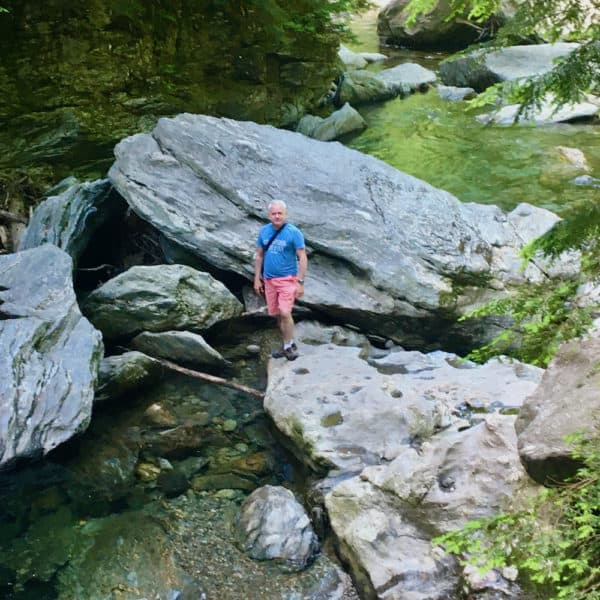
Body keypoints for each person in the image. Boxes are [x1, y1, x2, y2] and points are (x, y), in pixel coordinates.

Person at [254, 200, 307, 361]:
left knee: (285, 312)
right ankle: (287, 342)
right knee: (277, 314)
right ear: (269, 215)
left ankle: (288, 346)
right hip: (269, 280)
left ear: (285, 214)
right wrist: (257, 279)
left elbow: (302, 257)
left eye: (280, 213)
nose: (277, 216)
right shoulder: (264, 231)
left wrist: (300, 281)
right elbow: (259, 255)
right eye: (274, 213)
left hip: (287, 280)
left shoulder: (293, 232)